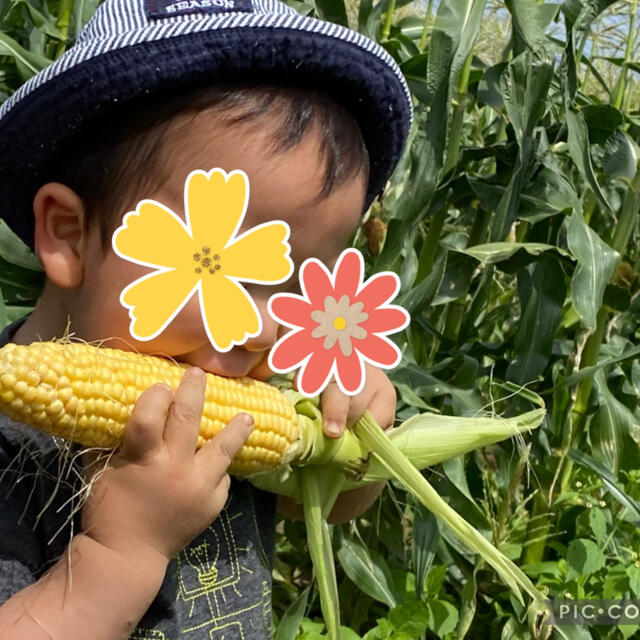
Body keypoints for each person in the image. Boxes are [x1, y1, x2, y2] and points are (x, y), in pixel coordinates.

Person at [0, 0, 412, 637]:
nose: (264, 329)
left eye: (299, 283)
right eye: (228, 273)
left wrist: (357, 444)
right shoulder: (9, 450)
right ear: (70, 235)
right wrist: (119, 556)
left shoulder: (234, 389)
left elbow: (326, 505)